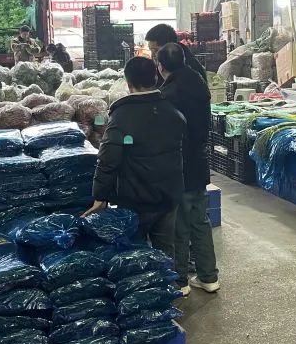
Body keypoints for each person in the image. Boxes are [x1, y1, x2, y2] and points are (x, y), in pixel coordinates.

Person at [85, 56, 185, 256]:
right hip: (169, 194)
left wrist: (100, 196)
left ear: (128, 82)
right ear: (155, 78)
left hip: (137, 198)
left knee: (136, 253)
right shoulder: (171, 109)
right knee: (166, 250)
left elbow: (108, 159)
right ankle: (170, 276)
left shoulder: (122, 116)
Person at [157, 43, 219, 296]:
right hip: (199, 161)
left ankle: (180, 280)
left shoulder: (168, 94)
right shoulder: (199, 83)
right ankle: (209, 277)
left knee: (179, 225)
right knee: (200, 221)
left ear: (161, 66)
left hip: (179, 165)